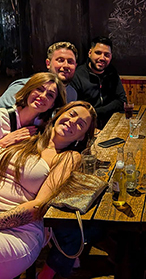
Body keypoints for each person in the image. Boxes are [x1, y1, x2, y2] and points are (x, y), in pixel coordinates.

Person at [0, 100, 97, 279]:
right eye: (72, 114)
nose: (72, 122)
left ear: (81, 137)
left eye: (80, 124)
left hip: (19, 231)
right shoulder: (27, 136)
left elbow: (40, 205)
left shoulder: (68, 158)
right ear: (58, 115)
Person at [71, 36, 127, 129]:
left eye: (106, 55)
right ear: (89, 53)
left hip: (112, 123)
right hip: (86, 127)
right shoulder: (77, 76)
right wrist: (110, 108)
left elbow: (122, 101)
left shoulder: (111, 72)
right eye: (98, 53)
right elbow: (77, 111)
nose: (102, 58)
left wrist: (95, 112)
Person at [0, 41, 78, 106]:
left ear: (75, 66)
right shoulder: (22, 87)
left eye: (70, 62)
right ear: (48, 63)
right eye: (60, 60)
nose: (65, 65)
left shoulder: (72, 94)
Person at [0, 72, 66, 148]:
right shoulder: (2, 118)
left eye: (50, 95)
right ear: (29, 90)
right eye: (39, 89)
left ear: (52, 104)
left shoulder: (45, 129)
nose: (43, 96)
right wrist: (2, 143)